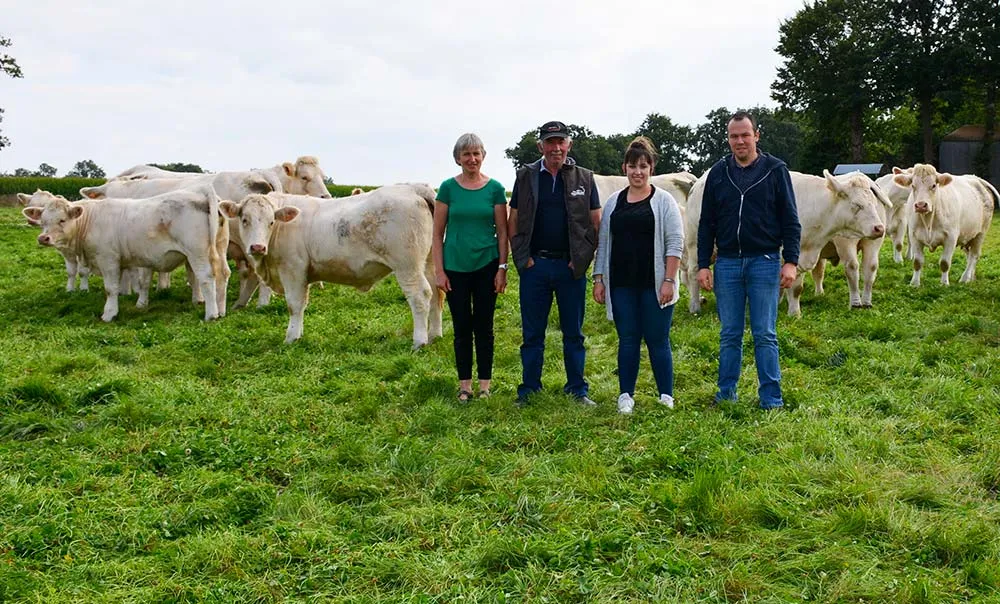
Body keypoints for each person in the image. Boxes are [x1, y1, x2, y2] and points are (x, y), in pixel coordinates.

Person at [696, 111, 801, 410]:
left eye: (745, 134)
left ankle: (771, 398)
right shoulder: (718, 173)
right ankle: (726, 394)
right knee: (730, 333)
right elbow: (707, 223)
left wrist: (790, 261)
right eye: (733, 136)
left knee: (764, 333)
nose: (739, 141)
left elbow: (790, 220)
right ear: (728, 139)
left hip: (764, 260)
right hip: (727, 262)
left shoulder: (775, 169)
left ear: (756, 135)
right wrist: (704, 264)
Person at [508, 120, 601, 407]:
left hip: (569, 268)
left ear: (569, 144)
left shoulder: (584, 178)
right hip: (536, 267)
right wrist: (524, 260)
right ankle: (529, 390)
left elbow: (595, 223)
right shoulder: (525, 176)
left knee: (573, 333)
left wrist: (580, 260)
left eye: (561, 141)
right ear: (541, 146)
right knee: (532, 333)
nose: (556, 147)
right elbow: (514, 221)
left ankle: (577, 389)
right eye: (550, 142)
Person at [592, 136, 684, 414]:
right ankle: (625, 395)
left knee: (658, 339)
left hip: (655, 284)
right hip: (621, 284)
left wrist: (669, 280)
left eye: (643, 166)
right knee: (628, 339)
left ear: (651, 168)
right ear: (625, 168)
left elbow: (675, 243)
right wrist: (599, 279)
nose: (638, 172)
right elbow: (603, 243)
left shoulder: (664, 201)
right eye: (633, 166)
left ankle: (666, 394)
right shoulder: (613, 203)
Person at [432, 133, 509, 403]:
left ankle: (485, 385)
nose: (472, 159)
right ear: (457, 159)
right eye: (466, 154)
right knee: (462, 326)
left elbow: (502, 231)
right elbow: (437, 233)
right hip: (455, 267)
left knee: (484, 327)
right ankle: (465, 385)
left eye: (476, 153)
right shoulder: (447, 189)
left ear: (483, 156)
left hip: (487, 265)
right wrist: (439, 271)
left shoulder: (496, 189)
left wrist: (502, 267)